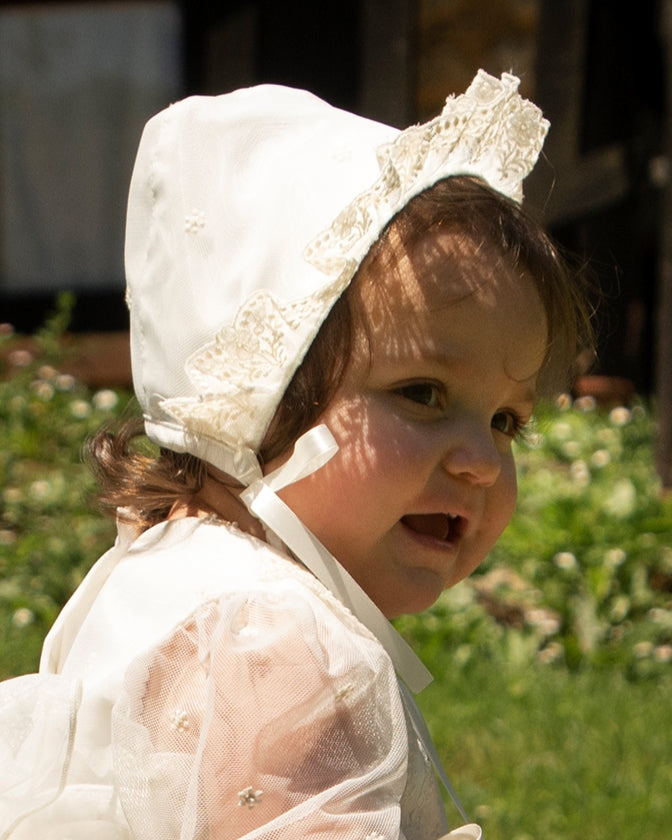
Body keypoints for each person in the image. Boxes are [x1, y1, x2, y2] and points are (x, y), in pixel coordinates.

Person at [0, 71, 591, 840]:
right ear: (254, 394)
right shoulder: (275, 644)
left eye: (508, 421)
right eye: (422, 393)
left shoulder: (159, 576)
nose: (481, 459)